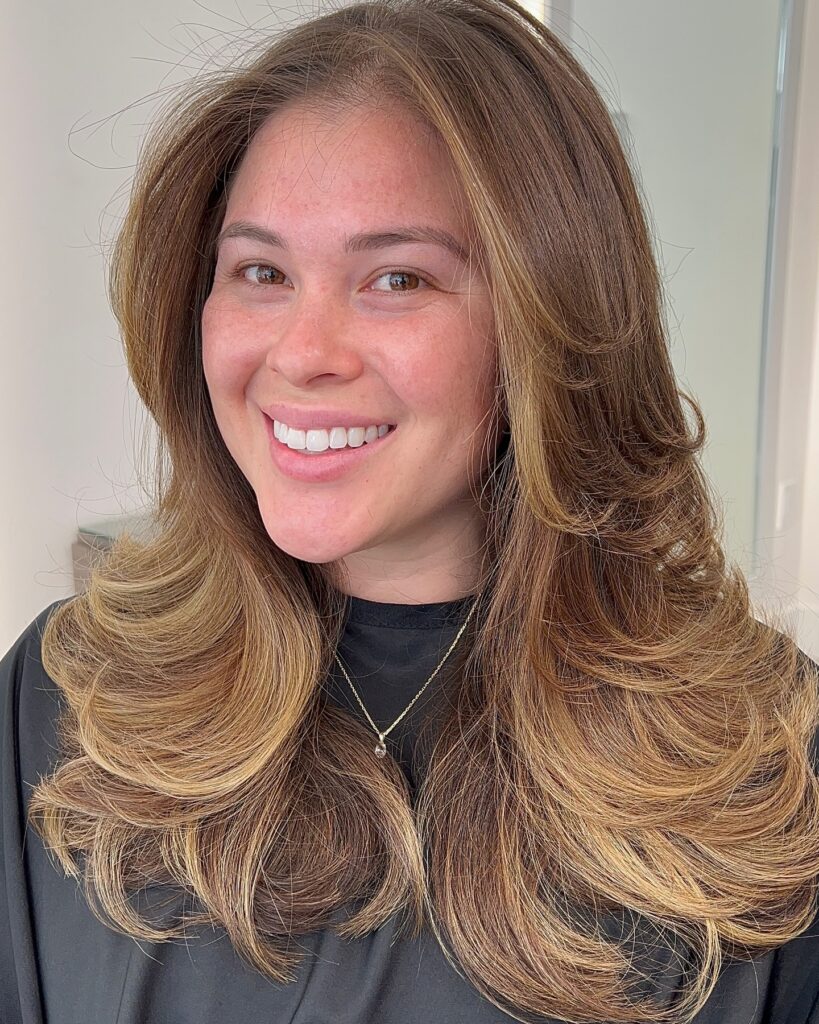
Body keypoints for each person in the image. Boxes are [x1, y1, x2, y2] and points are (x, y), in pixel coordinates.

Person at [2, 0, 818, 1021]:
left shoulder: (767, 767)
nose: (302, 353)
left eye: (397, 278)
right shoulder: (64, 699)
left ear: (550, 319)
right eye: (261, 271)